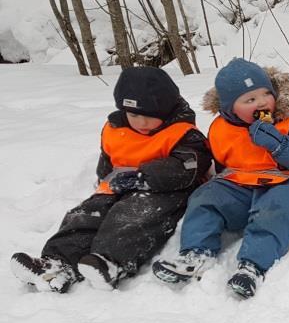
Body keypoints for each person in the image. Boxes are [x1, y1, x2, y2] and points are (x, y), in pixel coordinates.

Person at [11, 67, 210, 292]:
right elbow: (107, 159)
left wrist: (144, 177)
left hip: (163, 191)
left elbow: (187, 168)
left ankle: (111, 262)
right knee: (85, 215)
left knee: (131, 217)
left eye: (149, 117)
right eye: (134, 115)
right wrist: (106, 183)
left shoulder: (183, 134)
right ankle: (58, 264)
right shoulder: (115, 129)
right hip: (118, 186)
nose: (141, 123)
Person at [151, 58, 289, 299]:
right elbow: (222, 164)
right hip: (241, 183)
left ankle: (253, 265)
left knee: (274, 210)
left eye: (265, 94)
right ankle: (195, 253)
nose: (262, 102)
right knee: (205, 198)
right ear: (231, 108)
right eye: (250, 100)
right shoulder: (221, 128)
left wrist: (275, 141)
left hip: (288, 181)